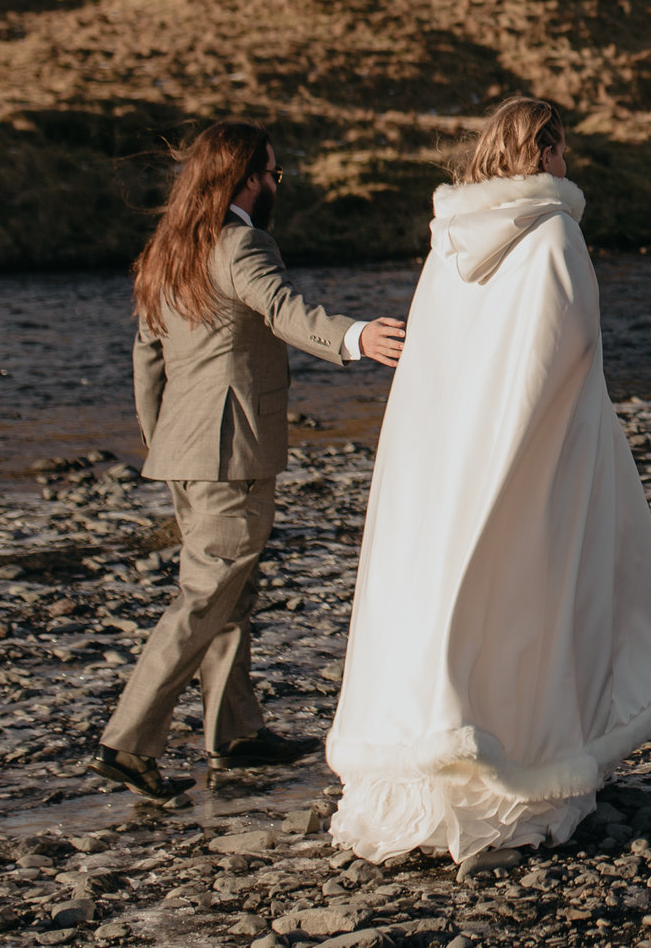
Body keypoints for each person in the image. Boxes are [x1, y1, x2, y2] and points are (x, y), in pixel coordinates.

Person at [326, 96, 651, 862]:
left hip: (447, 452)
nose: (566, 164)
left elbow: (437, 359)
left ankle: (428, 766)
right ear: (544, 149)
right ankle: (527, 769)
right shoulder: (553, 230)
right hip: (541, 446)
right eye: (562, 149)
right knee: (540, 600)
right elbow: (571, 344)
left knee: (453, 594)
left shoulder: (449, 239)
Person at [93, 120, 407, 804]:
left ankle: (234, 731)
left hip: (183, 450)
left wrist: (164, 442)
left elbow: (147, 357)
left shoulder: (167, 249)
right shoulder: (241, 243)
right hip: (228, 451)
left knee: (232, 592)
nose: (276, 183)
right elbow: (282, 308)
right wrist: (355, 336)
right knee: (208, 596)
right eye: (273, 172)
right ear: (243, 178)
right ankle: (127, 740)